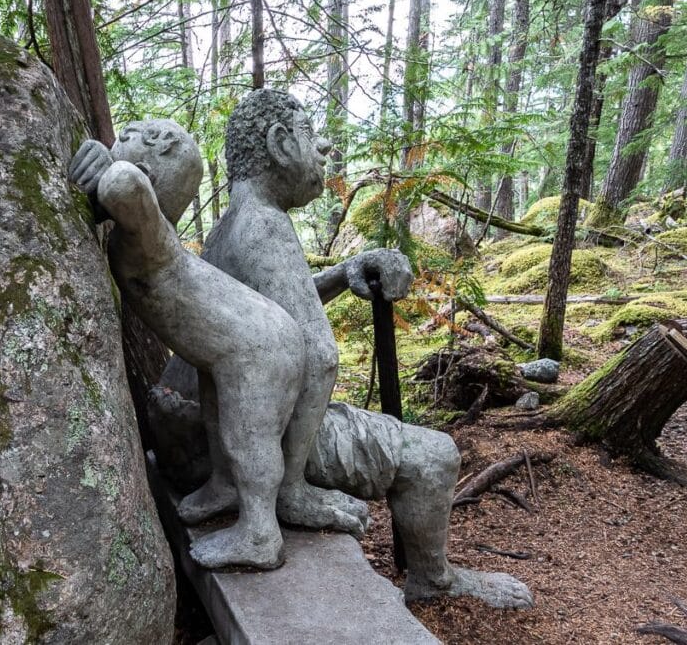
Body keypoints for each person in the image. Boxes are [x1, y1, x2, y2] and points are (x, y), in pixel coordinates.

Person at [149, 90, 534, 608]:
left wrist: (340, 273)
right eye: (311, 134)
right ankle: (434, 580)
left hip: (202, 436)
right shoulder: (266, 227)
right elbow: (320, 356)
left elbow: (278, 306)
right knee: (433, 455)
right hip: (252, 433)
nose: (325, 147)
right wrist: (294, 488)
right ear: (282, 145)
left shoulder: (232, 224)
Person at [68, 120, 304, 570]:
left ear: (151, 170)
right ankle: (223, 485)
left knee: (246, 436)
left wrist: (105, 161)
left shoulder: (151, 235)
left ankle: (260, 534)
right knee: (219, 418)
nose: (121, 134)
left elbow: (123, 184)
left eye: (131, 134)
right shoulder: (151, 231)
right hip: (232, 343)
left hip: (262, 344)